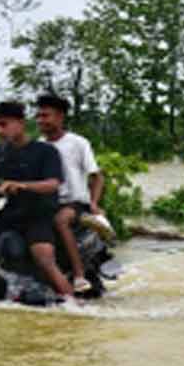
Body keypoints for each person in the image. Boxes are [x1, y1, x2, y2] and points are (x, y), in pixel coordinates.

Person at [0, 100, 74, 298]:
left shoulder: (46, 151)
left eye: (3, 124)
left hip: (39, 214)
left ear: (21, 123)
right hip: (10, 215)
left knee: (44, 259)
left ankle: (75, 305)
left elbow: (53, 183)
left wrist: (23, 185)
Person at [35, 94, 111, 293]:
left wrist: (94, 203)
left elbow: (96, 176)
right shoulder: (38, 146)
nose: (40, 120)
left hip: (74, 204)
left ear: (60, 117)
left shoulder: (78, 143)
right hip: (46, 203)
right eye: (38, 116)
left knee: (61, 220)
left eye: (45, 116)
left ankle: (78, 275)